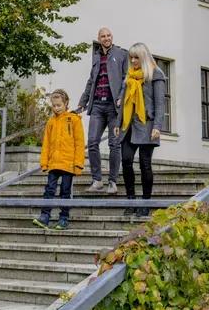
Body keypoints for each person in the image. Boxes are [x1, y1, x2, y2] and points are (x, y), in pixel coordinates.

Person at [117, 43, 167, 217]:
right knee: (126, 160)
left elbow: (160, 104)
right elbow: (123, 102)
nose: (133, 60)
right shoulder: (129, 76)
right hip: (128, 125)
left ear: (144, 57)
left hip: (147, 125)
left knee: (145, 164)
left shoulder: (156, 75)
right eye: (131, 57)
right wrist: (118, 124)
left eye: (136, 57)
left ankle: (146, 203)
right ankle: (131, 200)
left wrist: (157, 127)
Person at [77, 27, 127, 193]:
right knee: (92, 142)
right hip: (97, 105)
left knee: (114, 144)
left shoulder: (121, 54)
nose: (106, 38)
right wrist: (82, 103)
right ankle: (97, 180)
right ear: (99, 39)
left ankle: (112, 182)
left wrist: (121, 96)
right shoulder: (96, 56)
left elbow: (126, 79)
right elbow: (91, 81)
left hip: (114, 107)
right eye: (103, 36)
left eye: (108, 35)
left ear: (112, 37)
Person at [33, 89, 84, 230]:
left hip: (68, 163)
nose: (56, 108)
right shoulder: (51, 122)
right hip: (54, 163)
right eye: (54, 106)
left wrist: (78, 164)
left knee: (65, 191)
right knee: (49, 189)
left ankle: (63, 218)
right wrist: (44, 162)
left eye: (59, 105)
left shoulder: (74, 120)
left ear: (66, 103)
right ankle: (44, 216)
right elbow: (46, 144)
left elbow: (79, 143)